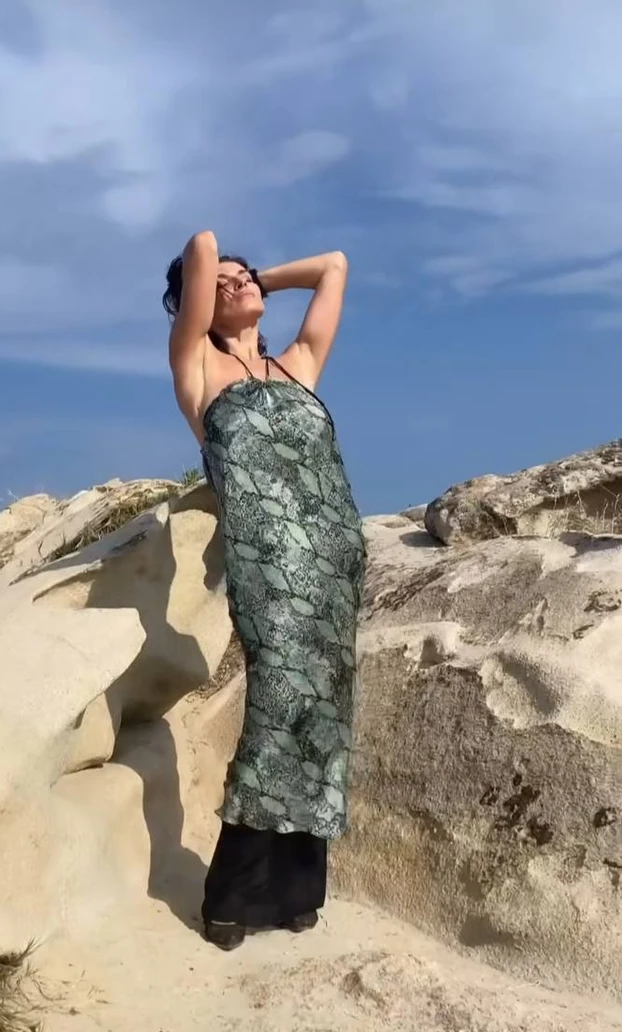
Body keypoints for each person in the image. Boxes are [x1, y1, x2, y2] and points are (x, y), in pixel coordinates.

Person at [162, 231, 366, 950]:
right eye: (220, 283)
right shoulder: (195, 364)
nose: (237, 283)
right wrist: (217, 274)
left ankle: (297, 892)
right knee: (278, 710)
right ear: (193, 302)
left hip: (335, 560)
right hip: (269, 566)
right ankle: (232, 895)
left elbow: (334, 265)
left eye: (244, 276)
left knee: (324, 719)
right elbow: (201, 244)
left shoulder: (298, 364)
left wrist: (259, 280)